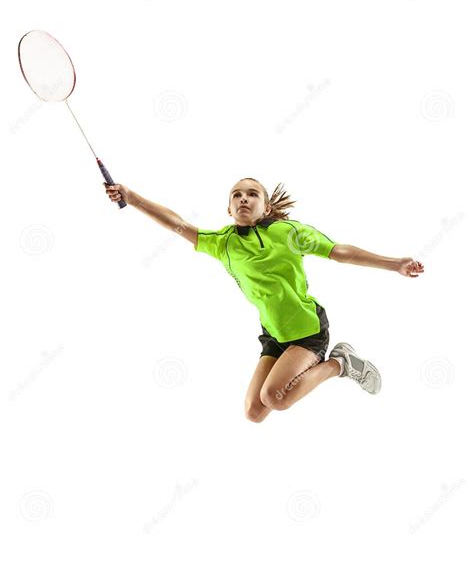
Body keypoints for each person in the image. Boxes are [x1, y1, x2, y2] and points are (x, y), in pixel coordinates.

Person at [104, 177, 424, 423]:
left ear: (267, 207)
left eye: (253, 193)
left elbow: (341, 252)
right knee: (255, 413)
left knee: (276, 397)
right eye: (237, 195)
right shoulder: (222, 243)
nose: (244, 197)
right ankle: (332, 363)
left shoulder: (288, 232)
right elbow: (178, 224)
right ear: (230, 209)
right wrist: (131, 197)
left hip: (306, 328)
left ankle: (340, 364)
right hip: (274, 333)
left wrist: (394, 263)